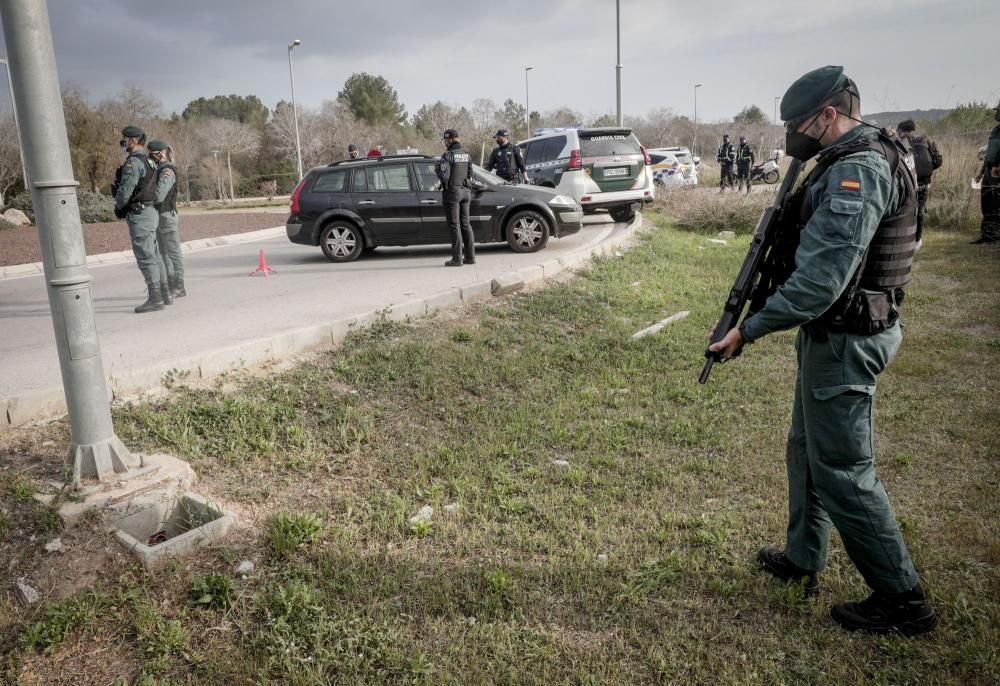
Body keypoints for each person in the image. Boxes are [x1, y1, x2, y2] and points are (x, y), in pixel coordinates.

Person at [709, 65, 936, 636]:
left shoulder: (858, 168)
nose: (793, 138)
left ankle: (903, 600)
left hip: (847, 338)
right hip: (834, 333)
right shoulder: (869, 151)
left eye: (799, 125)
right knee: (806, 449)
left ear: (829, 115)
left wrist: (749, 328)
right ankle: (803, 557)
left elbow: (820, 282)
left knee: (844, 470)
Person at [113, 125, 167, 313]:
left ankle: (155, 298)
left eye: (125, 139)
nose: (123, 142)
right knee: (154, 253)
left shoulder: (133, 162)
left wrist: (119, 206)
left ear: (133, 140)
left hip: (140, 213)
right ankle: (164, 293)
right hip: (150, 211)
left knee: (146, 256)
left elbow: (126, 189)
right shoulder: (150, 160)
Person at [147, 140, 186, 299]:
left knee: (173, 253)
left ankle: (179, 286)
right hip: (159, 216)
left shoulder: (167, 170)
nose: (150, 156)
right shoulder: (158, 169)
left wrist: (143, 198)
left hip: (166, 215)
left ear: (161, 153)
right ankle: (171, 285)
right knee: (164, 253)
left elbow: (159, 195)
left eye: (152, 153)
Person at [896, 119, 942, 248]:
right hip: (924, 183)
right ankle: (917, 241)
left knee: (903, 210)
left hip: (906, 183)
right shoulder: (927, 140)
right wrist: (926, 171)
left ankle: (903, 239)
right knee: (920, 211)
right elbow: (939, 160)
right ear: (913, 129)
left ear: (901, 130)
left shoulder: (899, 143)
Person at [435, 129, 475, 267]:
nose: (445, 143)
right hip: (466, 193)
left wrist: (438, 169)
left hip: (453, 193)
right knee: (466, 224)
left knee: (454, 225)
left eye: (446, 140)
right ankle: (470, 257)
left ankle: (457, 259)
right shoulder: (466, 155)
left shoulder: (447, 156)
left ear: (451, 140)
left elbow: (444, 176)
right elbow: (471, 175)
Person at [973, 101, 1000, 244]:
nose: (997, 114)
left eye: (998, 110)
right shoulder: (996, 130)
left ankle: (995, 236)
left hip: (998, 170)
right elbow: (989, 153)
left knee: (997, 203)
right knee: (987, 203)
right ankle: (987, 235)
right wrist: (981, 173)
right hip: (989, 170)